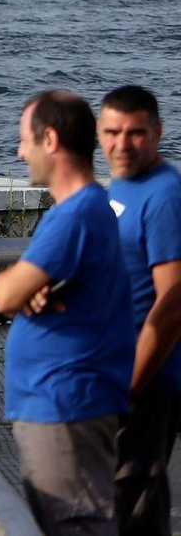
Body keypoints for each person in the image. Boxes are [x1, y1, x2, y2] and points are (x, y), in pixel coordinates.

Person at [0, 91, 136, 536]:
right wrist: (32, 289)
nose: (19, 152)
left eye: (24, 141)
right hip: (63, 402)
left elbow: (1, 294)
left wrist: (19, 286)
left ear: (50, 140)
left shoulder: (75, 215)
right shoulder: (90, 208)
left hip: (66, 405)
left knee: (80, 524)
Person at [100, 86, 181, 536]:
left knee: (136, 506)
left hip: (145, 382)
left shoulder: (164, 197)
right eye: (112, 132)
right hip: (110, 372)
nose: (122, 144)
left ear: (157, 133)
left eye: (135, 134)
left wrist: (129, 385)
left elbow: (172, 304)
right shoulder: (125, 184)